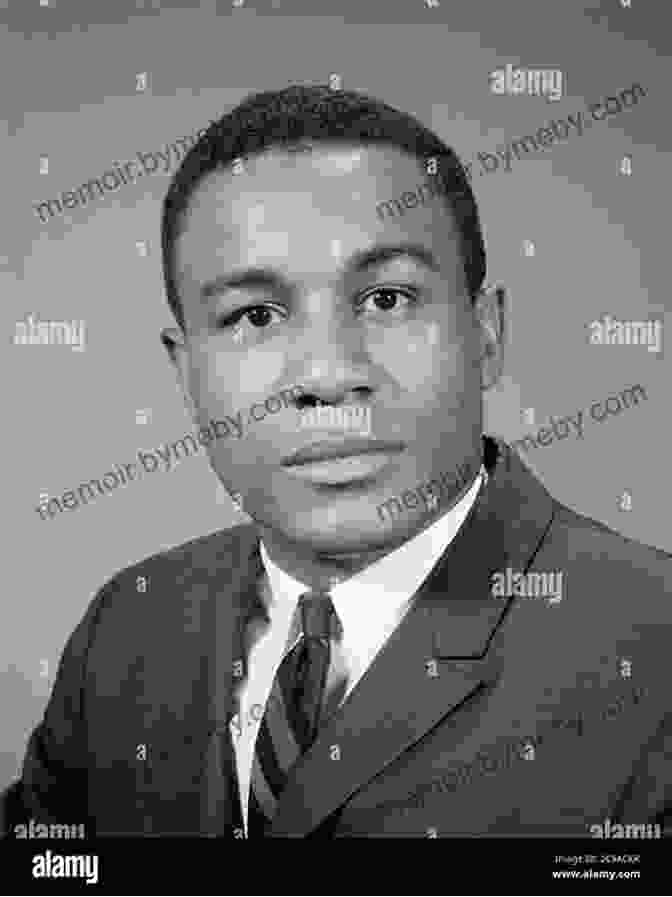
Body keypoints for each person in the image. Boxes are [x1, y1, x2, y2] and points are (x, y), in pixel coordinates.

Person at [3, 85, 670, 839]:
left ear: (486, 336)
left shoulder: (653, 651)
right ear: (185, 373)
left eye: (387, 299)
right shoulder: (128, 628)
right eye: (255, 315)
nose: (326, 374)